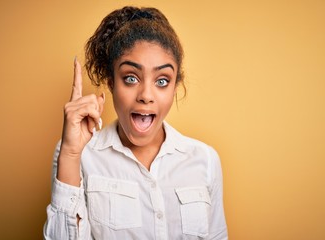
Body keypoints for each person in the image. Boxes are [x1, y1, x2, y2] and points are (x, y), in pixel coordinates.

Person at [43, 6, 227, 240]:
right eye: (131, 78)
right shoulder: (78, 155)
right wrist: (70, 153)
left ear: (174, 86)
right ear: (111, 82)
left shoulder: (205, 160)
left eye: (162, 80)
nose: (146, 95)